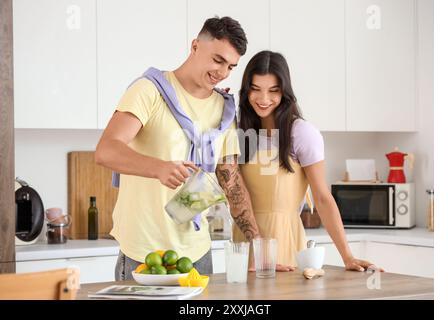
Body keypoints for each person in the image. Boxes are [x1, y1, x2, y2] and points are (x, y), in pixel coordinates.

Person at [95, 16, 260, 280]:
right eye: (218, 60)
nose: (223, 72)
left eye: (231, 66)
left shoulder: (225, 110)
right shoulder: (149, 90)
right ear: (195, 46)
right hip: (145, 252)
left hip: (198, 255)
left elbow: (231, 182)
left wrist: (259, 245)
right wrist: (158, 167)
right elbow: (106, 150)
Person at [232, 50, 384, 272]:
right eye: (256, 89)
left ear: (285, 92)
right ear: (247, 91)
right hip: (243, 246)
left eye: (273, 91)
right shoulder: (239, 132)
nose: (264, 99)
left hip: (283, 243)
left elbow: (322, 198)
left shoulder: (301, 133)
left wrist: (347, 256)